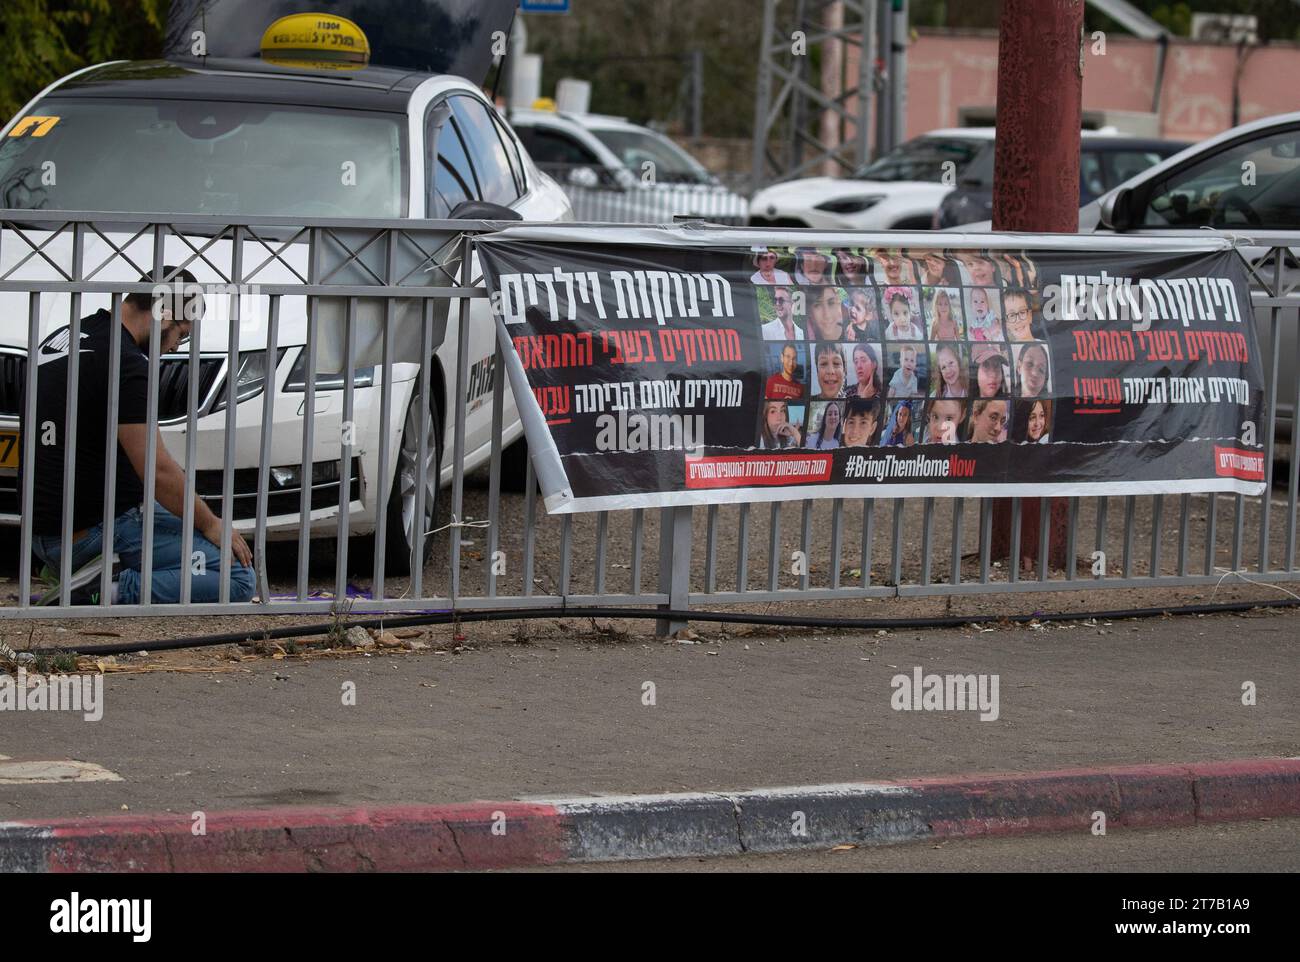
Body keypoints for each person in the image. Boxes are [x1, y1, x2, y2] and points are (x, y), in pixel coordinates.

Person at [24, 268, 255, 605]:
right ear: (164, 314)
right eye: (181, 334)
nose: (176, 346)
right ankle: (98, 590)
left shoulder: (67, 336)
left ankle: (89, 573)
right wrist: (209, 524)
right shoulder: (126, 363)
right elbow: (156, 470)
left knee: (195, 521)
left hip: (46, 531)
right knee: (237, 577)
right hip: (95, 532)